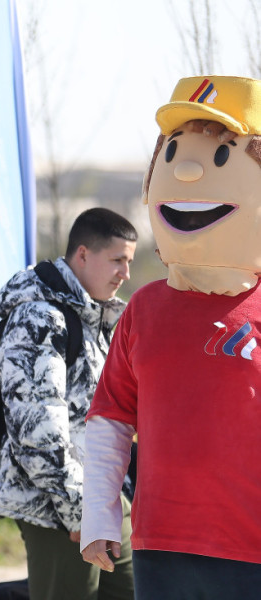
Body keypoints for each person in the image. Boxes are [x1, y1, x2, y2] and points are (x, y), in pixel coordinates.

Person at [82, 76, 261, 598]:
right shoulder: (144, 309)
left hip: (252, 549)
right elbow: (110, 418)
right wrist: (99, 516)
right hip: (161, 547)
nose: (185, 171)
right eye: (174, 152)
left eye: (222, 157)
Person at [0, 207, 137, 600]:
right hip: (55, 508)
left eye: (129, 262)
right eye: (117, 260)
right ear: (83, 254)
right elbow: (35, 430)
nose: (125, 273)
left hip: (104, 498)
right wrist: (78, 510)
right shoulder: (40, 318)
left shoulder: (94, 318)